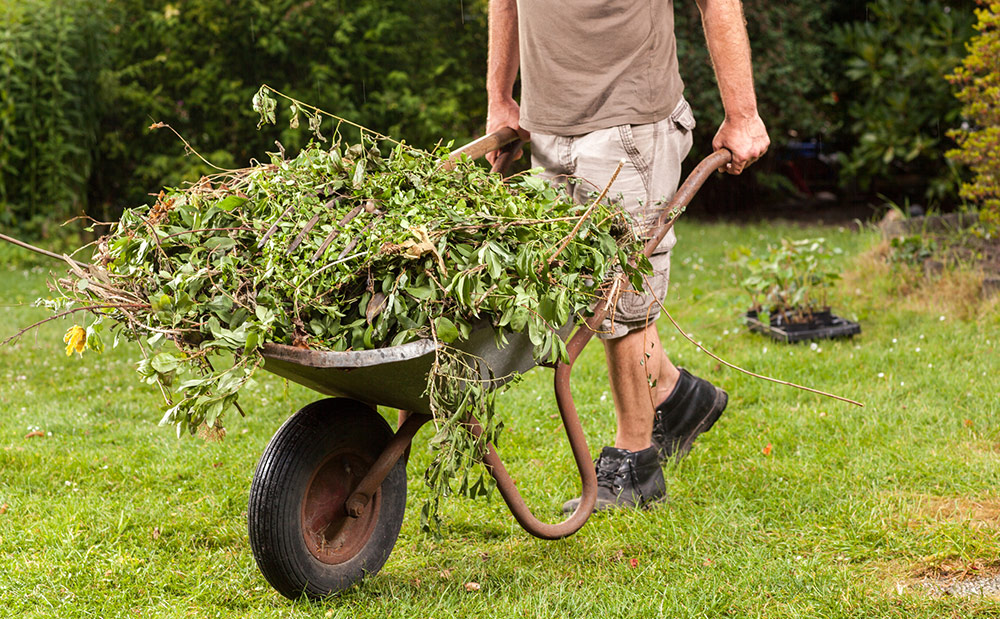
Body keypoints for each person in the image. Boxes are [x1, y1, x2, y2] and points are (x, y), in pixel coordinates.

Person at [485, 0, 770, 512]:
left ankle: (636, 463)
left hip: (630, 120)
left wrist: (742, 114)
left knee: (621, 295)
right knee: (584, 290)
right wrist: (500, 99)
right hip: (548, 124)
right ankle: (676, 394)